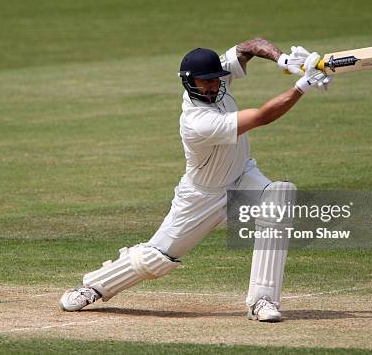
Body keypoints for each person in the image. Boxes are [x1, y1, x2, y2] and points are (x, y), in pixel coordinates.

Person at [60, 38, 332, 322]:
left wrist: (283, 61)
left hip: (242, 176)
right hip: (202, 195)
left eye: (215, 79)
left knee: (280, 196)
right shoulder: (197, 121)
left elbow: (249, 47)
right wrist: (303, 85)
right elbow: (263, 117)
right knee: (156, 258)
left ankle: (262, 301)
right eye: (205, 82)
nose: (213, 86)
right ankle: (93, 286)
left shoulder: (216, 84)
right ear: (190, 83)